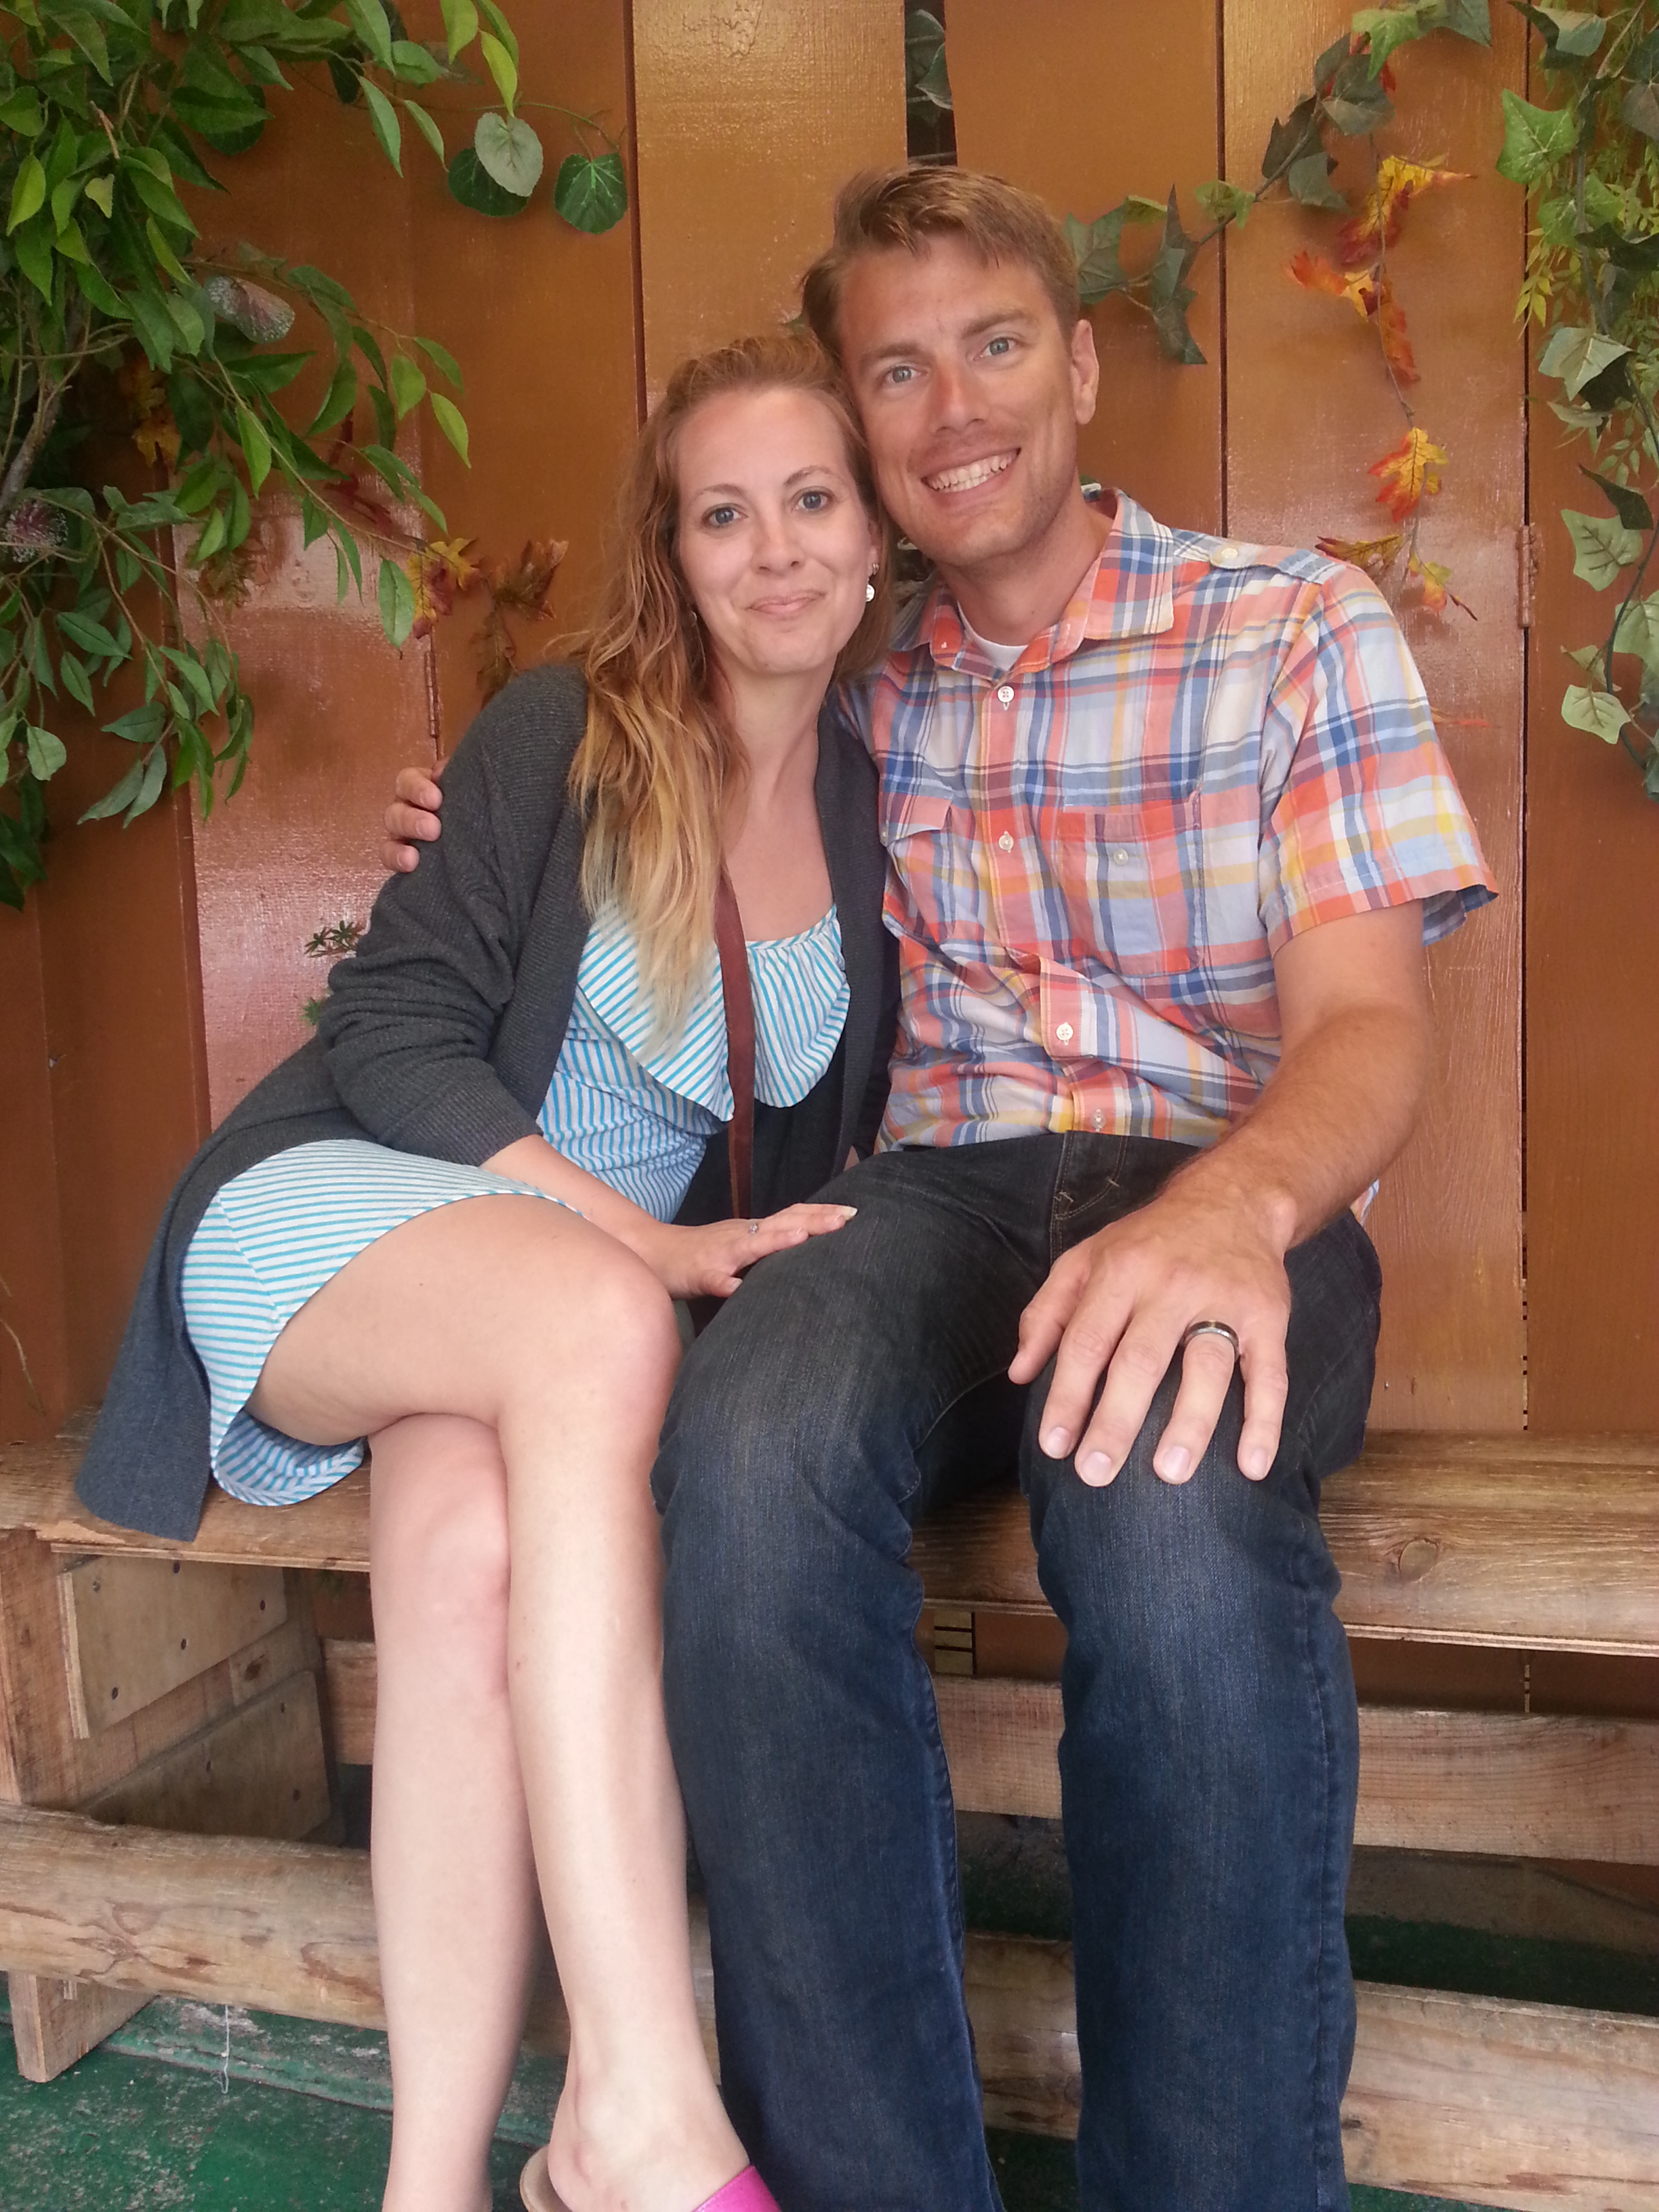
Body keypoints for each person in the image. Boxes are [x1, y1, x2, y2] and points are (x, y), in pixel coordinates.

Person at [383, 167, 1497, 2212]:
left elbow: (1368, 1026)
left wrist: (1228, 1212)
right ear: (858, 425)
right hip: (938, 1204)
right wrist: (479, 829)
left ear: (1078, 369)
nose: (953, 405)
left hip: (1223, 1187)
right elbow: (631, 764)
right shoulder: (846, 678)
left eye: (994, 345)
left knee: (1164, 1493)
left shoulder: (1290, 627)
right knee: (748, 1439)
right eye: (895, 372)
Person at [75, 329, 901, 2212]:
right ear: (671, 554)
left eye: (810, 500)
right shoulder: (567, 731)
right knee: (599, 1318)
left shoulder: (879, 798)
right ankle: (640, 2110)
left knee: (461, 1568)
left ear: (874, 535)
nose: (773, 548)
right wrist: (642, 1243)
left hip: (539, 1324)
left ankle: (433, 2185)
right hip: (342, 1211)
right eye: (721, 514)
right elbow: (391, 1034)